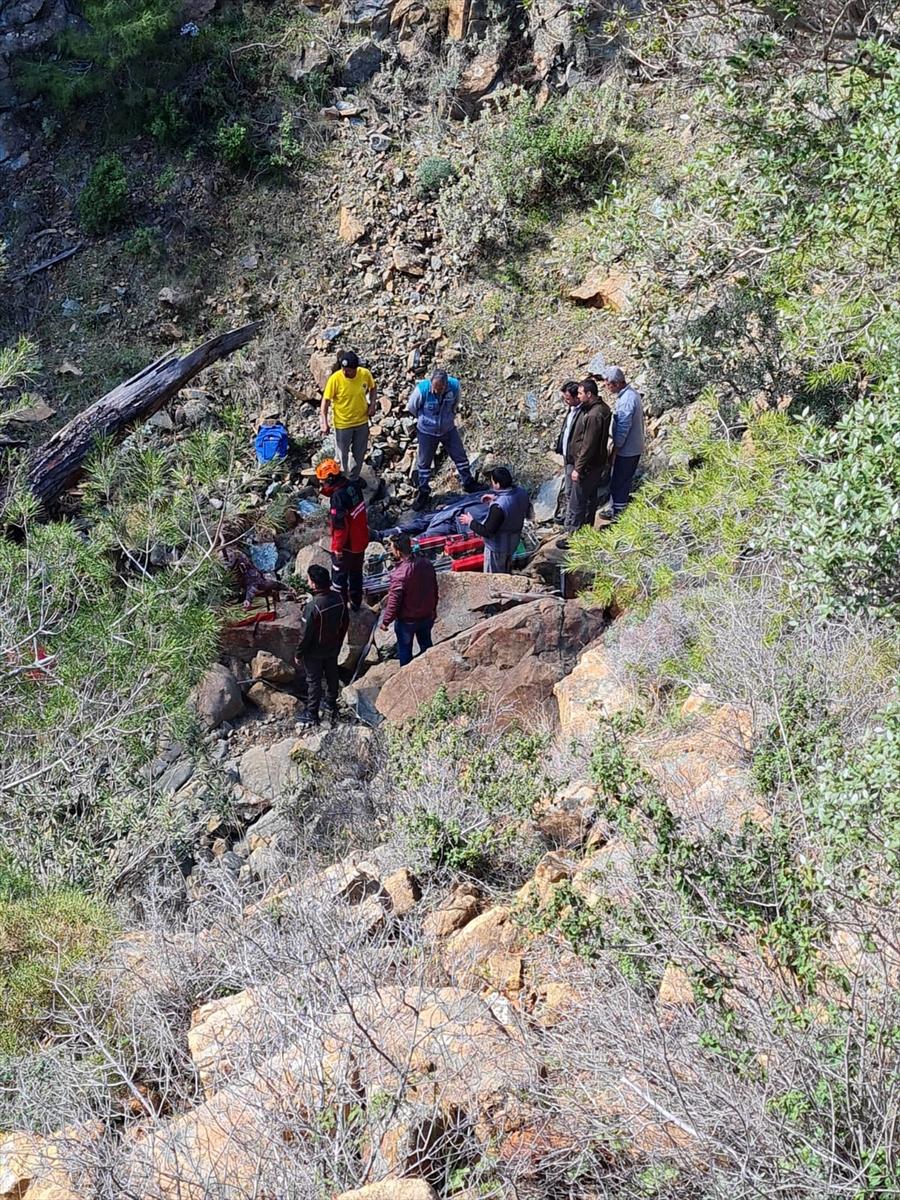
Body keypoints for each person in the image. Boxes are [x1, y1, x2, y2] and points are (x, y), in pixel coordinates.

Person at [407, 368, 480, 511]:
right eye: (434, 389)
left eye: (440, 389)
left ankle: (468, 483)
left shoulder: (454, 386)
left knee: (460, 456)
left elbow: (456, 403)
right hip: (427, 431)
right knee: (423, 463)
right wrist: (424, 419)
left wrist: (449, 417)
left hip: (448, 429)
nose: (436, 392)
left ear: (446, 385)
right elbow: (412, 407)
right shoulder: (422, 390)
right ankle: (423, 492)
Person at [295, 563, 349, 728]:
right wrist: (339, 642)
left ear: (314, 583)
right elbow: (345, 622)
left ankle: (312, 713)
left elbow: (305, 635)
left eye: (309, 580)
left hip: (314, 652)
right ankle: (331, 704)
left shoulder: (313, 607)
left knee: (314, 681)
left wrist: (298, 653)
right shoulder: (339, 598)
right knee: (332, 676)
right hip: (332, 647)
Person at [315, 457, 369, 611]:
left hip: (348, 545)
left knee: (339, 576)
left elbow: (340, 526)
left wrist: (337, 548)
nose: (321, 484)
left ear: (330, 479)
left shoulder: (338, 497)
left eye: (322, 481)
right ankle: (356, 603)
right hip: (361, 539)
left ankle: (340, 607)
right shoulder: (353, 485)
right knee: (356, 572)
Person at [379, 533, 439, 666]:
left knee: (405, 652)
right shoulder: (426, 563)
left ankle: (406, 676)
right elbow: (434, 588)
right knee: (427, 647)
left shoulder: (399, 574)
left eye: (393, 548)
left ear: (398, 551)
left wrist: (386, 622)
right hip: (426, 615)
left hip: (407, 622)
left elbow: (394, 602)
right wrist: (433, 608)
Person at [459, 466, 531, 573]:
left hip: (498, 549)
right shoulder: (522, 492)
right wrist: (495, 498)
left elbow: (487, 531)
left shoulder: (498, 508)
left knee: (494, 577)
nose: (491, 484)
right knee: (507, 571)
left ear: (497, 484)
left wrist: (470, 521)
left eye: (492, 481)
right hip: (513, 542)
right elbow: (517, 507)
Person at [321, 350, 377, 481]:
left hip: (361, 422)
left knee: (359, 453)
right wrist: (324, 422)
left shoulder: (365, 374)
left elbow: (373, 387)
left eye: (349, 370)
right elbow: (326, 401)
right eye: (343, 369)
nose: (345, 372)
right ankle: (342, 481)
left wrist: (373, 404)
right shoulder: (335, 379)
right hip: (342, 425)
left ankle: (354, 479)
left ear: (356, 369)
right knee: (342, 456)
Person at [565, 378, 612, 531]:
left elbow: (588, 445)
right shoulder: (602, 408)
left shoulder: (593, 415)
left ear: (589, 394)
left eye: (580, 393)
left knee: (577, 500)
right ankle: (586, 529)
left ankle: (573, 535)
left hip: (587, 466)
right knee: (590, 498)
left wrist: (578, 468)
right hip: (596, 463)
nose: (578, 396)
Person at [602, 366, 645, 517]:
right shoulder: (631, 394)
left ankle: (618, 516)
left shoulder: (627, 400)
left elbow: (622, 428)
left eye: (608, 384)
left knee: (620, 481)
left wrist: (616, 449)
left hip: (627, 449)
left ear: (616, 383)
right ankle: (615, 509)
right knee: (622, 480)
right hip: (633, 446)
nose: (606, 387)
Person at [555, 381, 583, 521]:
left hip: (576, 459)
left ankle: (571, 521)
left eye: (568, 399)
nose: (566, 402)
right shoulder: (571, 409)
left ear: (577, 397)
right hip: (568, 456)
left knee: (572, 491)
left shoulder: (584, 413)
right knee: (568, 490)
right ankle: (567, 516)